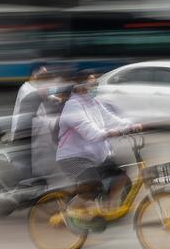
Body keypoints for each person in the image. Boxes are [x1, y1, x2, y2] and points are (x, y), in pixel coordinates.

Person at [56, 71, 140, 229]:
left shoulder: (94, 102)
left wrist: (131, 125)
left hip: (94, 156)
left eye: (96, 84)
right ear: (80, 87)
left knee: (121, 175)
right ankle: (70, 213)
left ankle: (106, 208)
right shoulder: (72, 106)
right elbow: (88, 130)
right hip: (72, 158)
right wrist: (109, 133)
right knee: (92, 185)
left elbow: (112, 119)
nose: (95, 87)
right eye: (92, 84)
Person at [10, 64, 50, 140]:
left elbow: (50, 96)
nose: (45, 78)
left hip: (35, 132)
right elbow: (40, 95)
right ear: (34, 75)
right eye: (43, 75)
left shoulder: (36, 87)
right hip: (23, 132)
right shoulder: (25, 89)